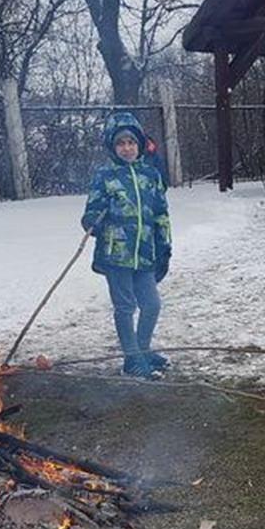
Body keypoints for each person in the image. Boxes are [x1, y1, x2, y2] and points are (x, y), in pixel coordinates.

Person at [81, 112, 172, 380]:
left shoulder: (151, 174)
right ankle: (132, 360)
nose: (127, 148)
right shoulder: (105, 176)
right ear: (113, 146)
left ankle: (142, 351)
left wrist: (164, 245)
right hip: (116, 254)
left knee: (152, 304)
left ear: (140, 144)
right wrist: (94, 221)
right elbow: (90, 213)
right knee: (125, 307)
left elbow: (161, 213)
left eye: (131, 142)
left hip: (145, 253)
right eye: (121, 143)